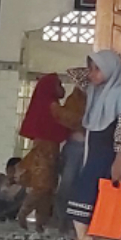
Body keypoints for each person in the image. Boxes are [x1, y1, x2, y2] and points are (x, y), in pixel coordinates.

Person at [67, 49, 121, 240]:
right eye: (91, 69)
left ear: (111, 70)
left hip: (107, 157)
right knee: (89, 205)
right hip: (93, 154)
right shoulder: (96, 92)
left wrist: (120, 160)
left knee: (102, 206)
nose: (91, 74)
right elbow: (73, 73)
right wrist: (97, 66)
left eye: (97, 69)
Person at [13, 66, 78, 230]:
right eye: (59, 85)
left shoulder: (47, 103)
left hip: (47, 149)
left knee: (48, 187)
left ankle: (41, 223)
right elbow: (69, 119)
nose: (62, 89)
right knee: (43, 186)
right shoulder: (51, 105)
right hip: (46, 151)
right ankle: (24, 213)